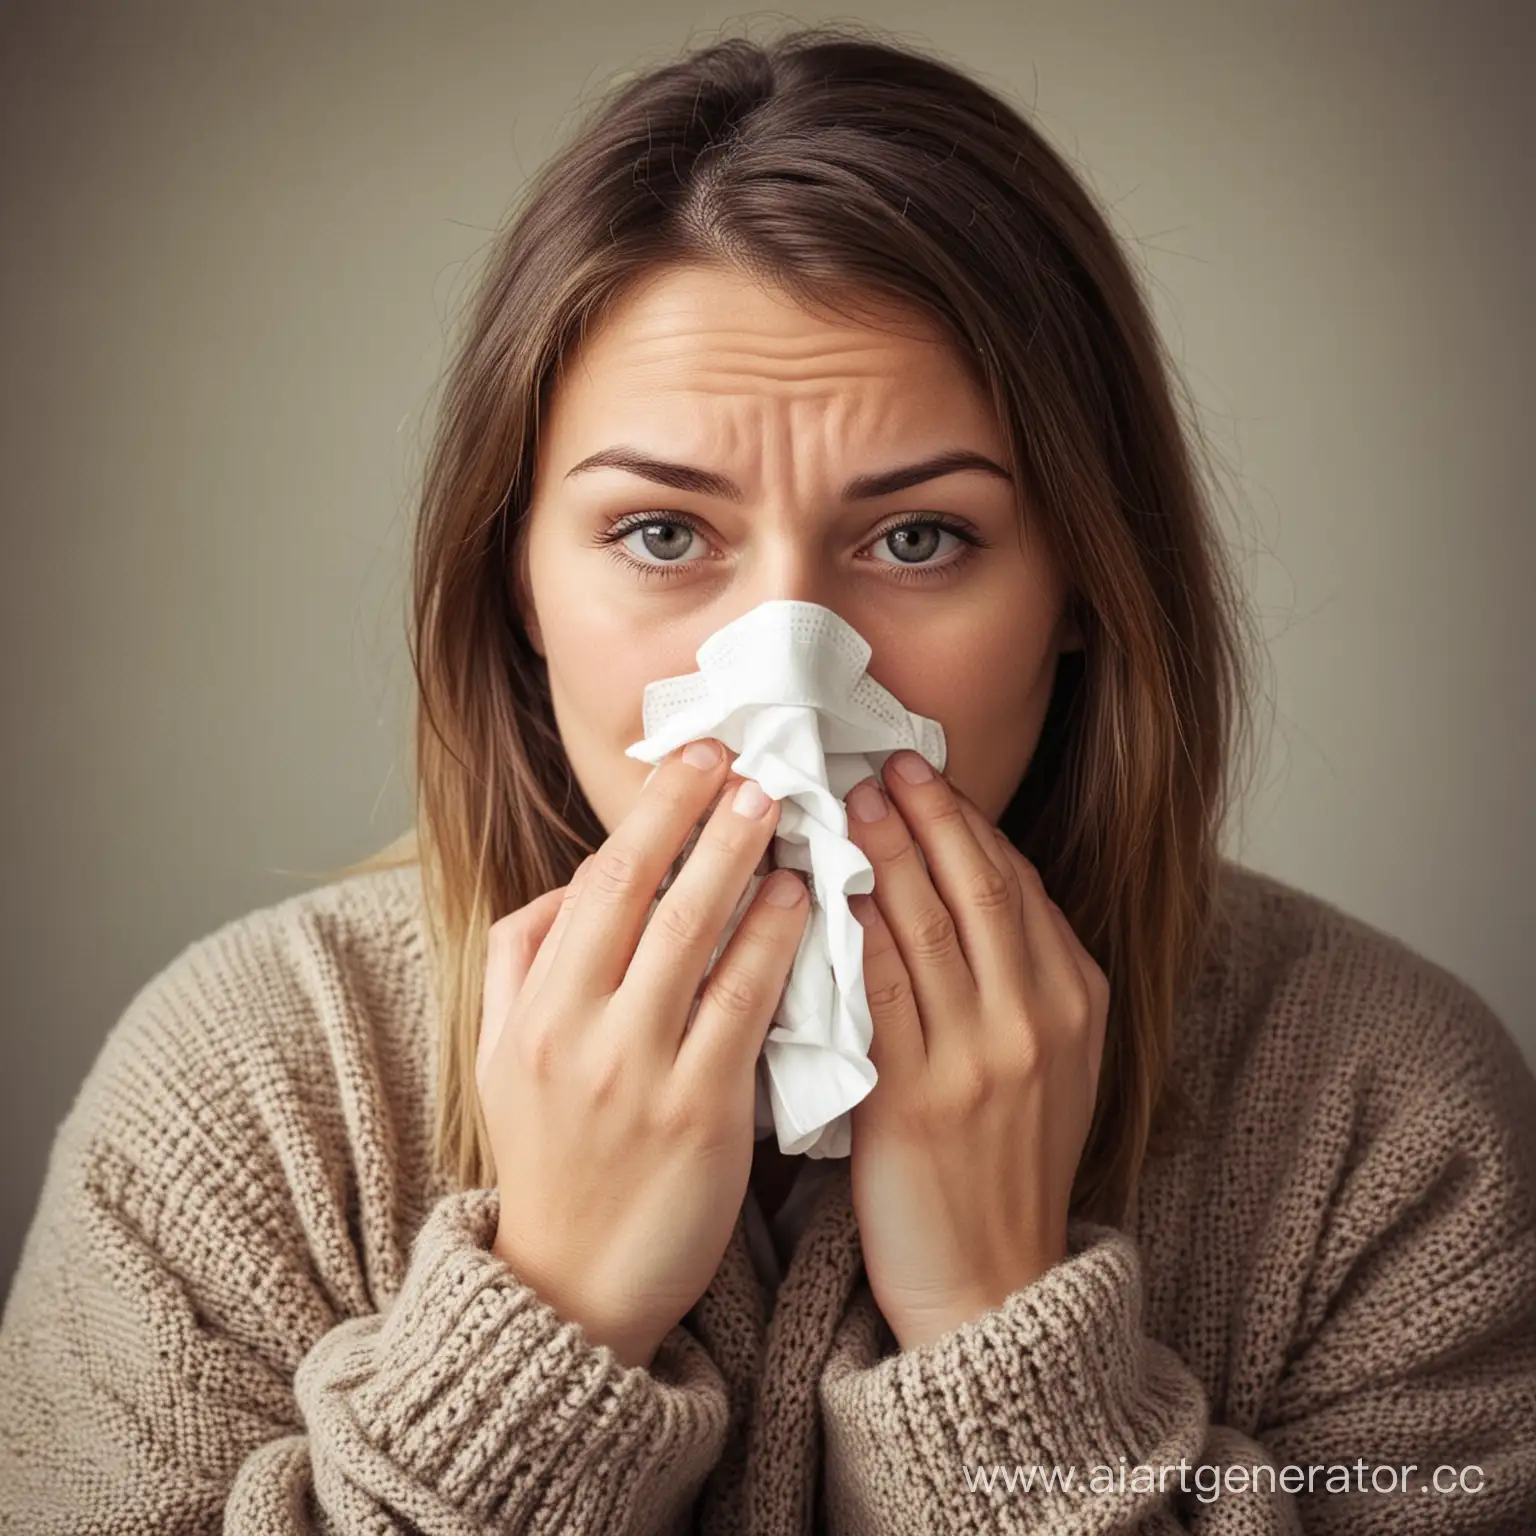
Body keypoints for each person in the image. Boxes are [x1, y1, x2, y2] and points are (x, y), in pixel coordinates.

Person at [3, 21, 1533, 1535]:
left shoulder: (1387, 1118)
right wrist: (554, 1322)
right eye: (665, 535)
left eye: (918, 538)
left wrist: (1001, 1341)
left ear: (1080, 592)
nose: (791, 681)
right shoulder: (247, 1099)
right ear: (517, 590)